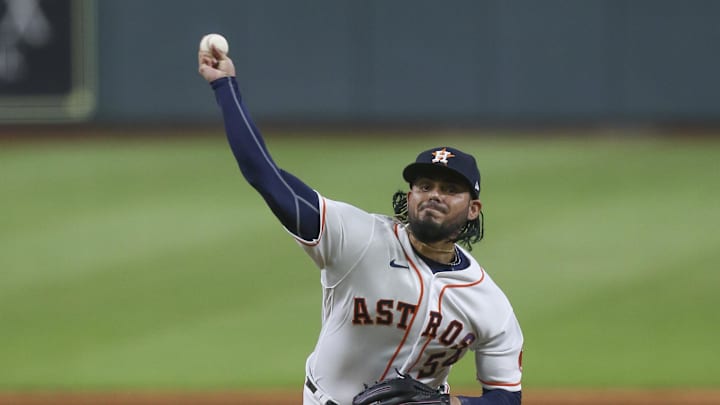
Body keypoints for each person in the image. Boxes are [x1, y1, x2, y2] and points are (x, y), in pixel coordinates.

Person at [198, 43, 523, 405]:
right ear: (409, 195)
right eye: (424, 186)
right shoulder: (358, 238)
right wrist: (225, 86)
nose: (434, 195)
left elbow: (506, 397)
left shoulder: (489, 303)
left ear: (473, 208)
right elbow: (265, 175)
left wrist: (451, 404)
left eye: (449, 190)